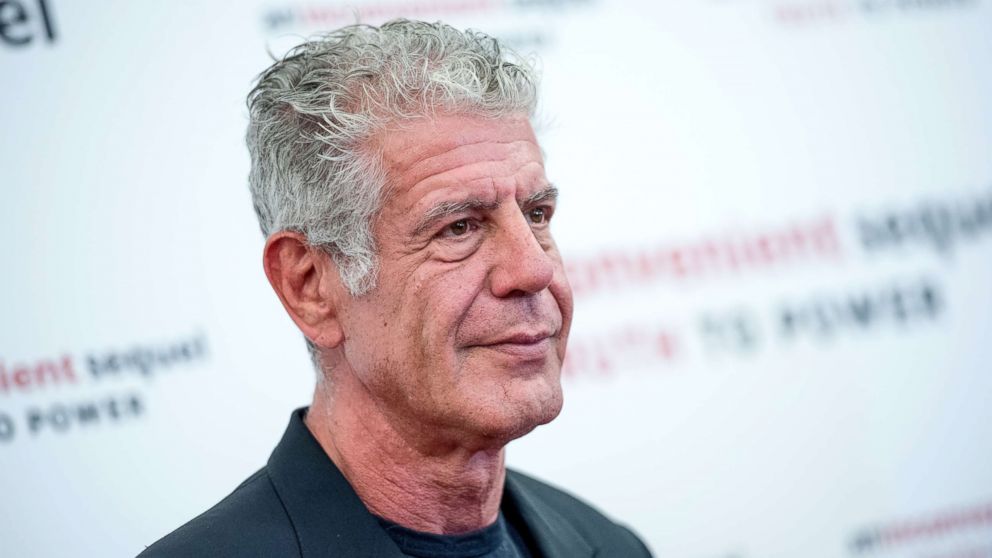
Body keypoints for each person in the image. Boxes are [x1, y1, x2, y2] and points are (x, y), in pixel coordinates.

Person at [139, 19, 653, 558]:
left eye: (537, 214)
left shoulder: (608, 545)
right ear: (309, 286)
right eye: (459, 227)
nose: (534, 271)